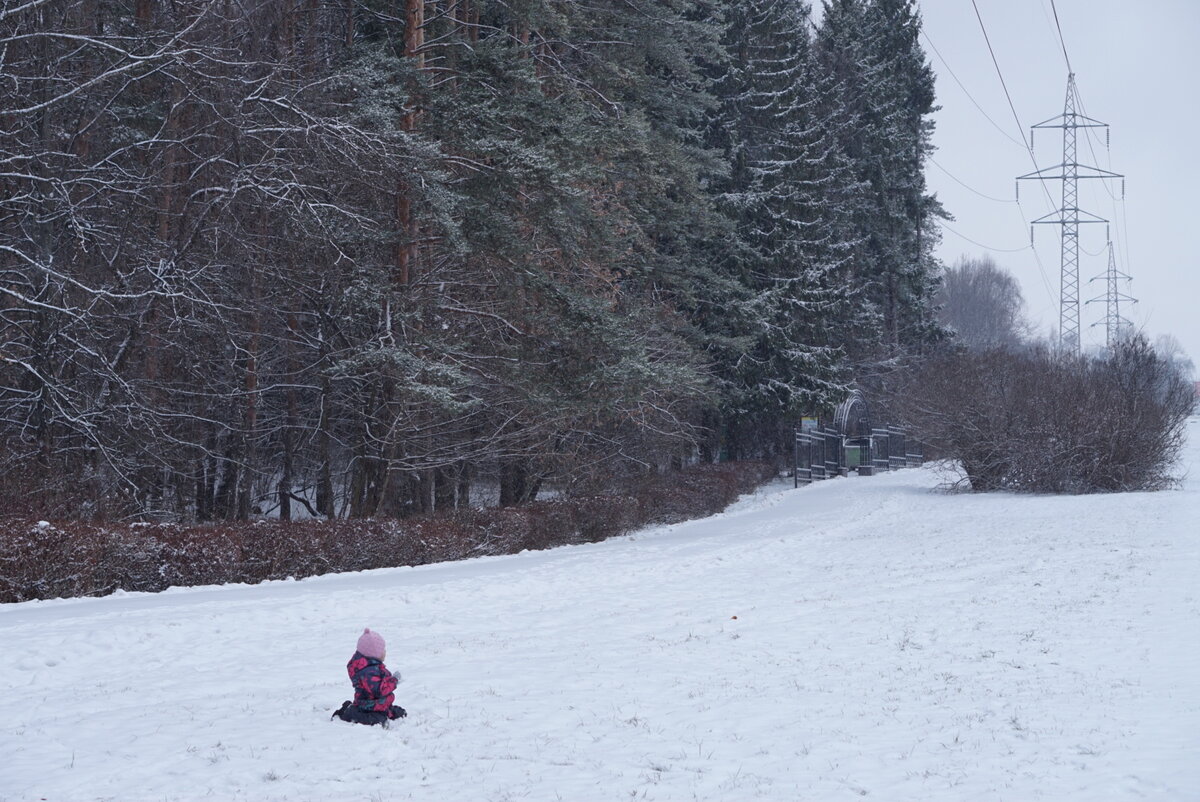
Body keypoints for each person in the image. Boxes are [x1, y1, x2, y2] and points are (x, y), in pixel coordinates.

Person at [332, 628, 407, 726]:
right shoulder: (368, 672)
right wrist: (394, 680)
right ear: (374, 654)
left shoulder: (373, 667)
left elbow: (381, 681)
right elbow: (379, 690)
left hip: (378, 704)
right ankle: (350, 713)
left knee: (399, 712)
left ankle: (386, 710)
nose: (385, 652)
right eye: (382, 650)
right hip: (368, 706)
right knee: (379, 720)